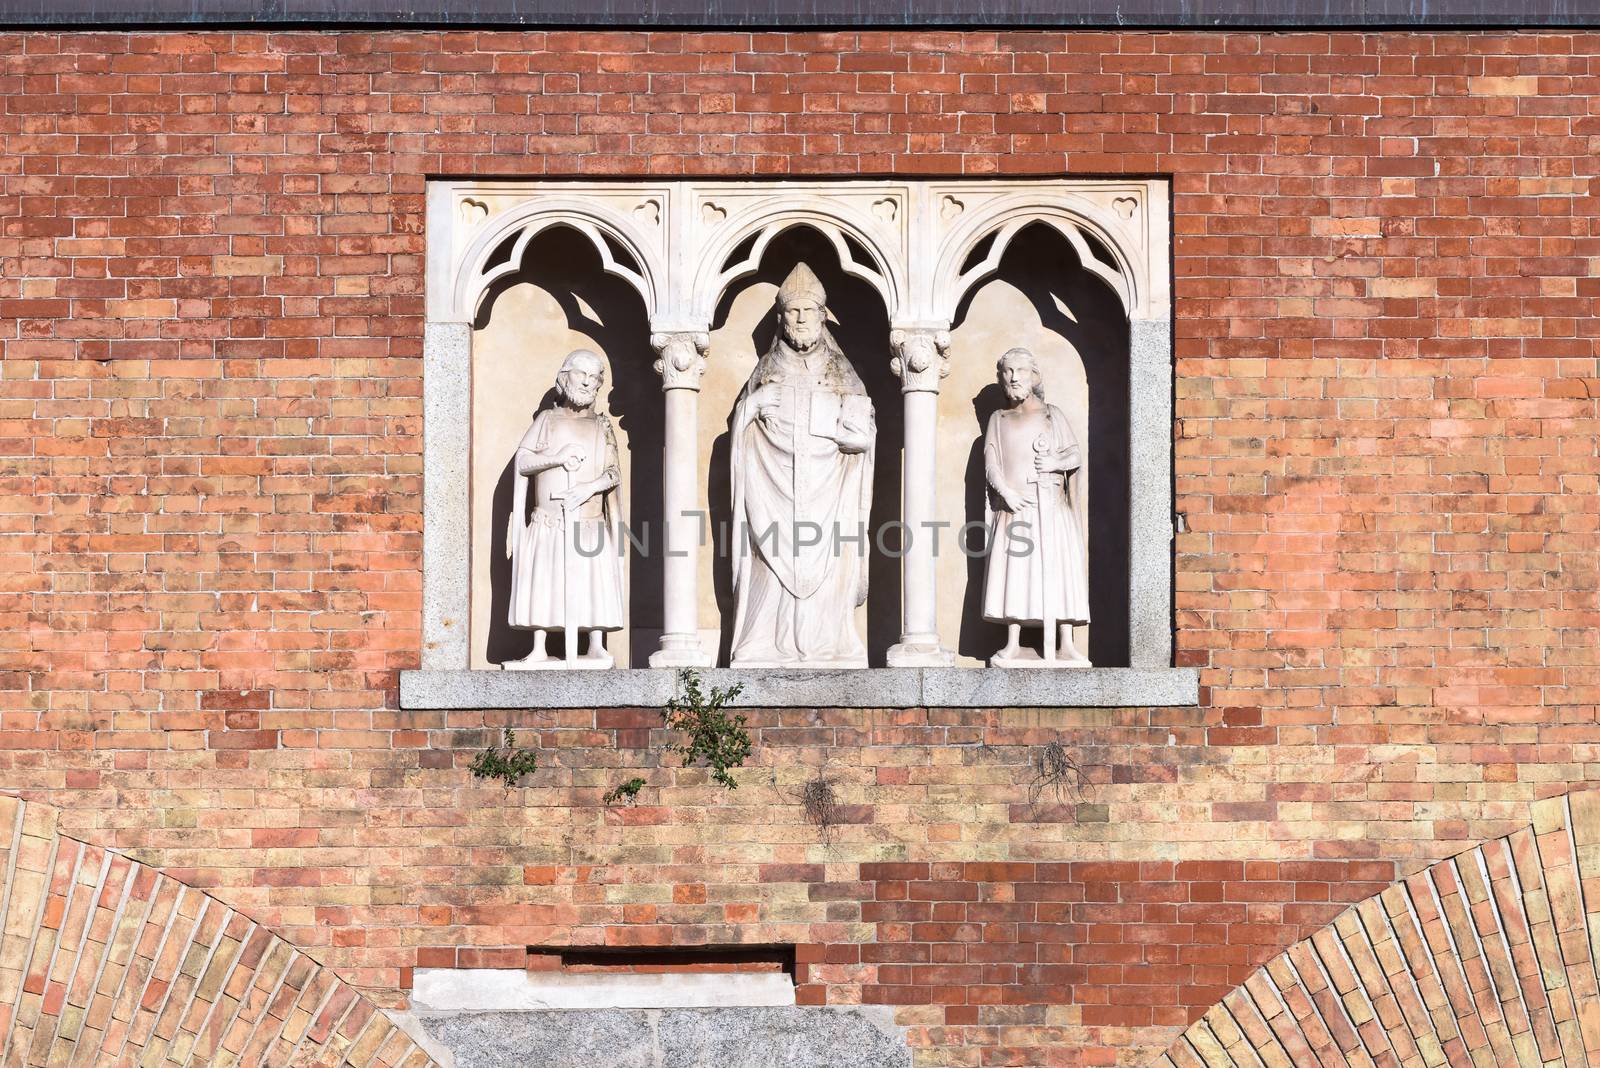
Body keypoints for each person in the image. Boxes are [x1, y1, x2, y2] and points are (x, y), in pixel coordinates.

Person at [728, 262, 874, 667]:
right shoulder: (765, 373)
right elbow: (741, 435)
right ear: (781, 318)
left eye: (809, 311)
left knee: (830, 565)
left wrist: (854, 438)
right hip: (772, 490)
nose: (801, 318)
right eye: (793, 311)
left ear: (823, 316)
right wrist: (751, 408)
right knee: (769, 565)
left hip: (830, 490)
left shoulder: (843, 374)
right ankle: (763, 644)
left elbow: (864, 433)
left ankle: (830, 643)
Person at [503, 349, 624, 669]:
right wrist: (557, 457)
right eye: (581, 374)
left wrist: (587, 488)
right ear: (564, 376)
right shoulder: (546, 421)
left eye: (594, 377)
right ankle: (539, 646)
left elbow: (613, 474)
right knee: (544, 580)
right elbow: (524, 461)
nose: (587, 382)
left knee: (592, 583)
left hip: (588, 521)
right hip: (549, 521)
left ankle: (596, 643)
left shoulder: (602, 425)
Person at [982, 347, 1090, 667]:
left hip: (1052, 507)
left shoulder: (1051, 415)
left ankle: (1067, 642)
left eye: (1021, 371)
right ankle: (1013, 642)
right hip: (1017, 508)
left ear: (1034, 376)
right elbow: (991, 463)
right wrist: (1007, 493)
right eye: (1007, 372)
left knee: (1060, 570)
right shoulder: (998, 419)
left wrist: (1055, 460)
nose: (1013, 377)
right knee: (1015, 573)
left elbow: (1074, 455)